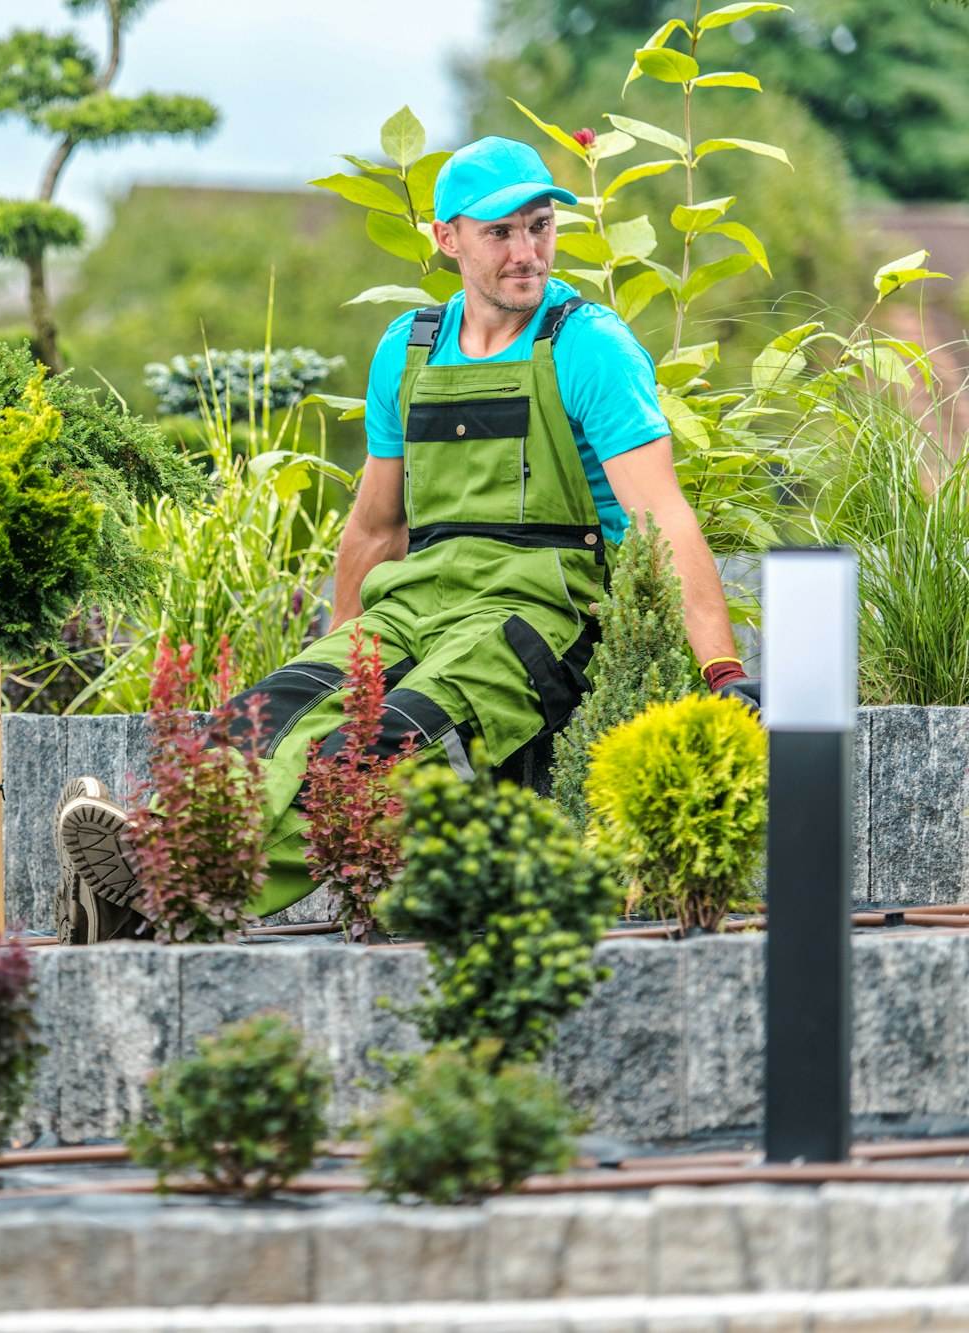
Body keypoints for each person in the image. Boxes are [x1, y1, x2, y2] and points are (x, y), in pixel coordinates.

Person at [54, 135, 759, 944]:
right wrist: (342, 648)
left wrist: (722, 669)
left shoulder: (588, 345)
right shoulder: (409, 350)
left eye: (540, 228)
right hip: (419, 600)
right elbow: (376, 524)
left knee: (389, 743)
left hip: (538, 613)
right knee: (270, 712)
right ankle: (153, 852)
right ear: (446, 238)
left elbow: (661, 517)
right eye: (501, 233)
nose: (527, 252)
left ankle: (179, 886)